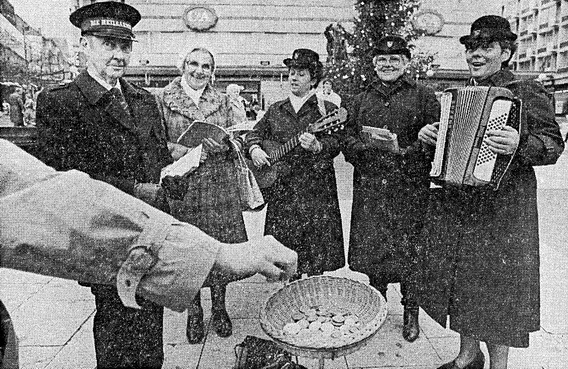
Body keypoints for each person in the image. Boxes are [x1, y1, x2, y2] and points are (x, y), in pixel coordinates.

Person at [0, 138, 298, 369]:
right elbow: (56, 203)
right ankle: (196, 313)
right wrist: (216, 254)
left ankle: (217, 310)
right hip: (170, 209)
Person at [417, 16, 564, 369]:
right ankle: (467, 357)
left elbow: (552, 146)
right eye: (471, 48)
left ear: (506, 52)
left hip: (506, 209)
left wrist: (520, 142)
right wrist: (429, 138)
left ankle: (499, 366)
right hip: (461, 204)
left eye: (486, 48)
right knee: (464, 282)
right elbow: (448, 149)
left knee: (499, 290)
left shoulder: (527, 91)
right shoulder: (458, 93)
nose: (476, 55)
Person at [35, 2, 173, 368]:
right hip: (105, 236)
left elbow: (157, 161)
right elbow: (63, 178)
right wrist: (135, 189)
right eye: (107, 44)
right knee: (117, 328)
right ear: (84, 46)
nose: (118, 54)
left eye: (124, 46)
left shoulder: (144, 101)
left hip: (151, 231)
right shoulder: (60, 103)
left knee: (150, 332)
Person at [341, 36, 440, 343]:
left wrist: (407, 152)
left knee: (411, 251)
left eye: (394, 59)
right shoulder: (359, 98)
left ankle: (411, 312)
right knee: (375, 249)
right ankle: (377, 304)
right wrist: (364, 150)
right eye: (381, 60)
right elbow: (346, 136)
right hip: (371, 186)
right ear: (374, 64)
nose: (387, 64)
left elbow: (437, 135)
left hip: (409, 187)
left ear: (405, 63)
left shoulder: (423, 96)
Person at [156, 47, 247, 344]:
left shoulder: (221, 100)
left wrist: (226, 145)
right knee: (189, 249)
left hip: (216, 183)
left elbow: (233, 137)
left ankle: (219, 308)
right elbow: (156, 143)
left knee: (218, 247)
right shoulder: (162, 99)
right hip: (183, 185)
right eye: (193, 64)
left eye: (206, 66)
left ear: (213, 71)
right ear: (182, 65)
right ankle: (193, 311)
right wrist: (181, 150)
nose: (199, 71)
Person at [246, 48, 345, 280]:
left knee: (315, 255)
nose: (293, 77)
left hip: (315, 191)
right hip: (282, 191)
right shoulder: (276, 109)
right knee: (285, 254)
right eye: (292, 72)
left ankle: (313, 300)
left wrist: (319, 146)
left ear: (313, 79)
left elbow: (337, 143)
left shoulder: (326, 110)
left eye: (301, 73)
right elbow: (253, 134)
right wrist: (255, 149)